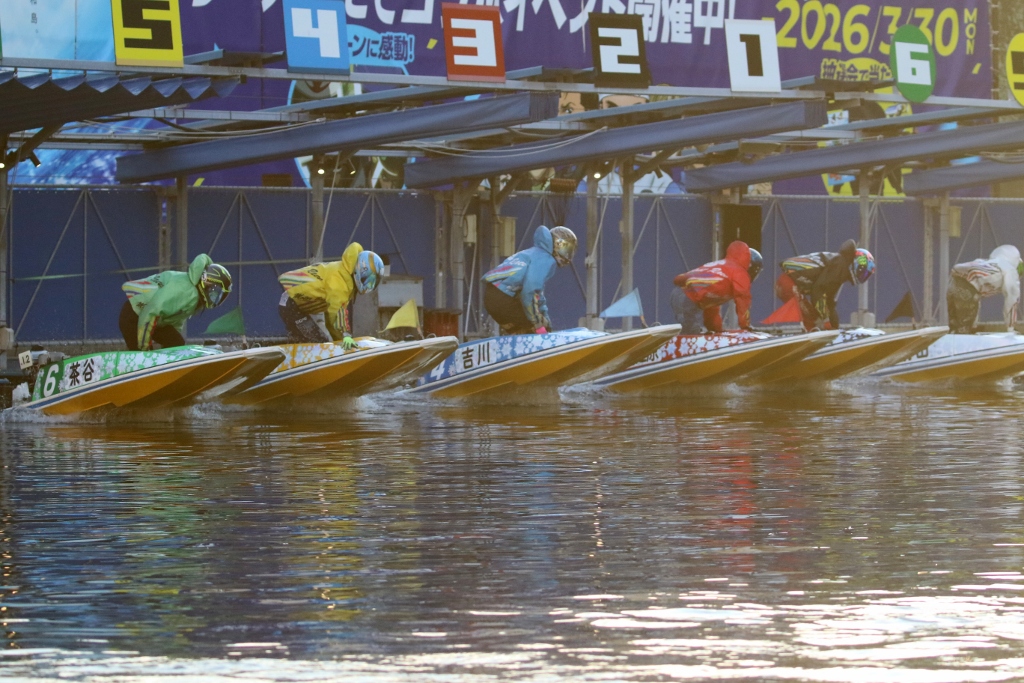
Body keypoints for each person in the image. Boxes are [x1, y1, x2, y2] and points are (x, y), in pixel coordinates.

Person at [278, 242, 384, 348]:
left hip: (294, 305)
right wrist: (345, 336)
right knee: (317, 341)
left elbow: (331, 320)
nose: (370, 285)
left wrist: (339, 342)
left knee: (316, 340)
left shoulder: (343, 273)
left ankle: (293, 350)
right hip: (290, 304)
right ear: (361, 271)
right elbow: (337, 313)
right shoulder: (340, 283)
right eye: (370, 280)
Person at [120, 254, 232, 351]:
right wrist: (145, 349)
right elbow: (151, 311)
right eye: (214, 290)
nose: (214, 296)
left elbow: (175, 321)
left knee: (176, 343)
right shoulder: (185, 289)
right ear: (205, 282)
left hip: (153, 320)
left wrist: (171, 354)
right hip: (134, 316)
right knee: (142, 352)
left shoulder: (194, 296)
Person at [482, 225, 577, 335]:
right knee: (534, 327)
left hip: (490, 297)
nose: (567, 254)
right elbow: (530, 291)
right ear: (556, 245)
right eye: (565, 248)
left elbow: (537, 294)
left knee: (520, 330)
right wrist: (538, 324)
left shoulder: (532, 253)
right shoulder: (546, 258)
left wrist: (544, 317)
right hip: (504, 299)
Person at [775, 240, 875, 331]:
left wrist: (834, 326)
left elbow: (828, 301)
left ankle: (810, 333)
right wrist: (826, 320)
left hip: (786, 282)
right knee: (811, 319)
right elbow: (818, 290)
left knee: (813, 316)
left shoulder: (840, 266)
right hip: (788, 283)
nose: (862, 276)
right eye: (862, 272)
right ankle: (810, 336)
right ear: (856, 263)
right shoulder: (839, 265)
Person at [671, 241, 761, 334]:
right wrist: (746, 326)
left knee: (691, 332)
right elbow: (743, 299)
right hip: (688, 295)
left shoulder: (724, 266)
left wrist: (716, 330)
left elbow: (711, 304)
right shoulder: (740, 272)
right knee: (691, 334)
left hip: (681, 293)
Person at [947, 244, 1023, 334]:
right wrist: (1011, 329)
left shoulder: (986, 262)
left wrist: (973, 325)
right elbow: (1012, 302)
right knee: (963, 331)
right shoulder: (1010, 271)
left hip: (954, 282)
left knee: (955, 327)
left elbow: (976, 296)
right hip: (968, 286)